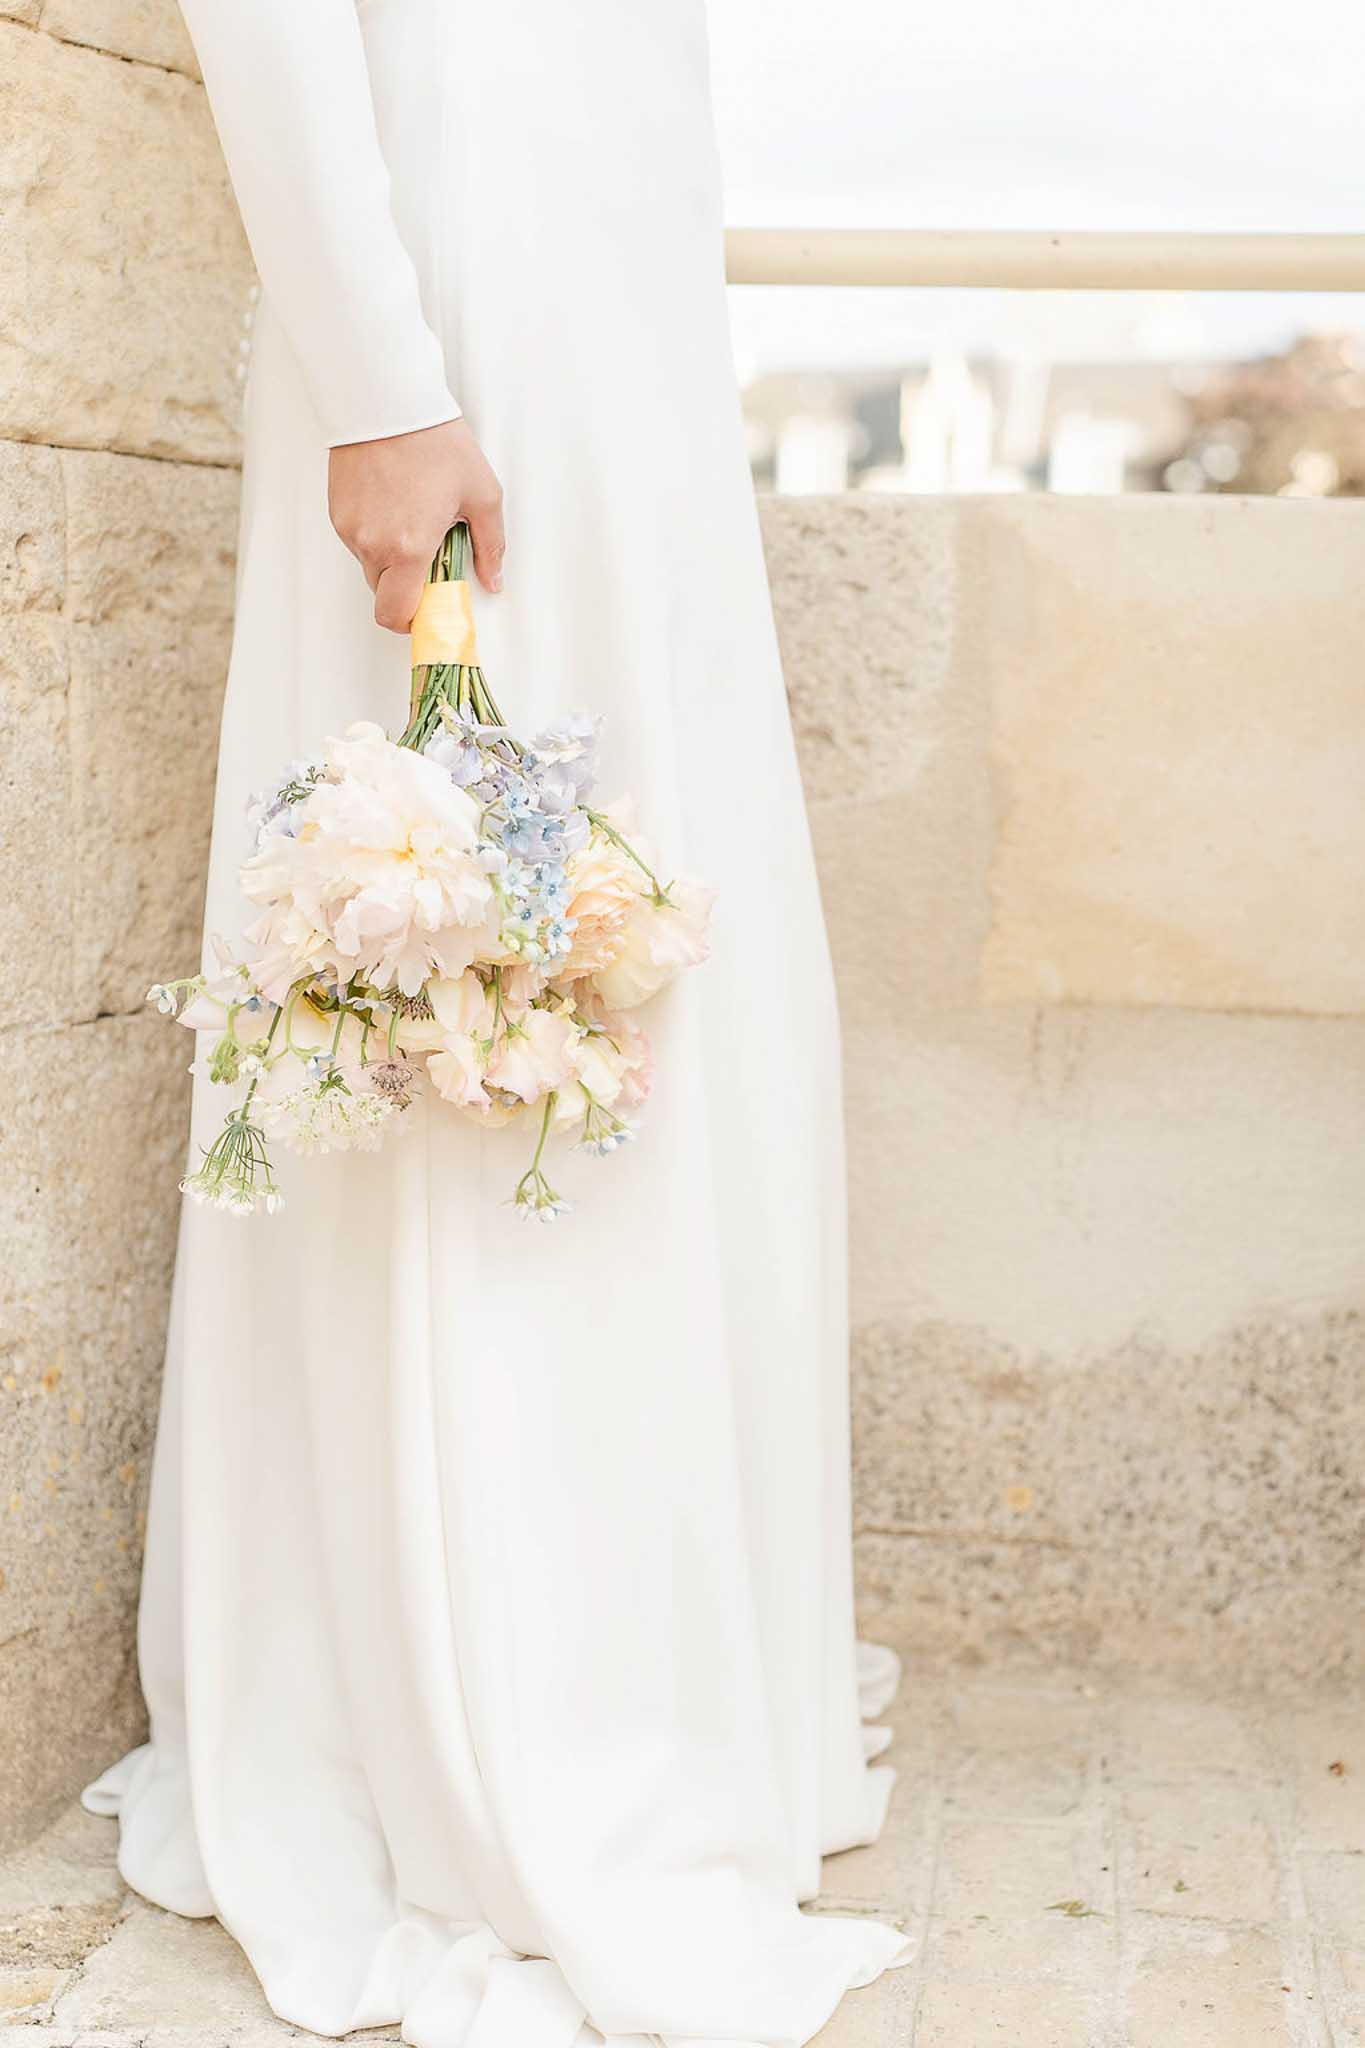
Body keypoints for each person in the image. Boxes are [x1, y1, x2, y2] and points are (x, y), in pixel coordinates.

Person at [83, 2, 909, 2042]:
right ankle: (491, 1699)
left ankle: (648, 1651)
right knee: (480, 917)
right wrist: (382, 384)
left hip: (604, 307)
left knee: (619, 920)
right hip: (465, 311)